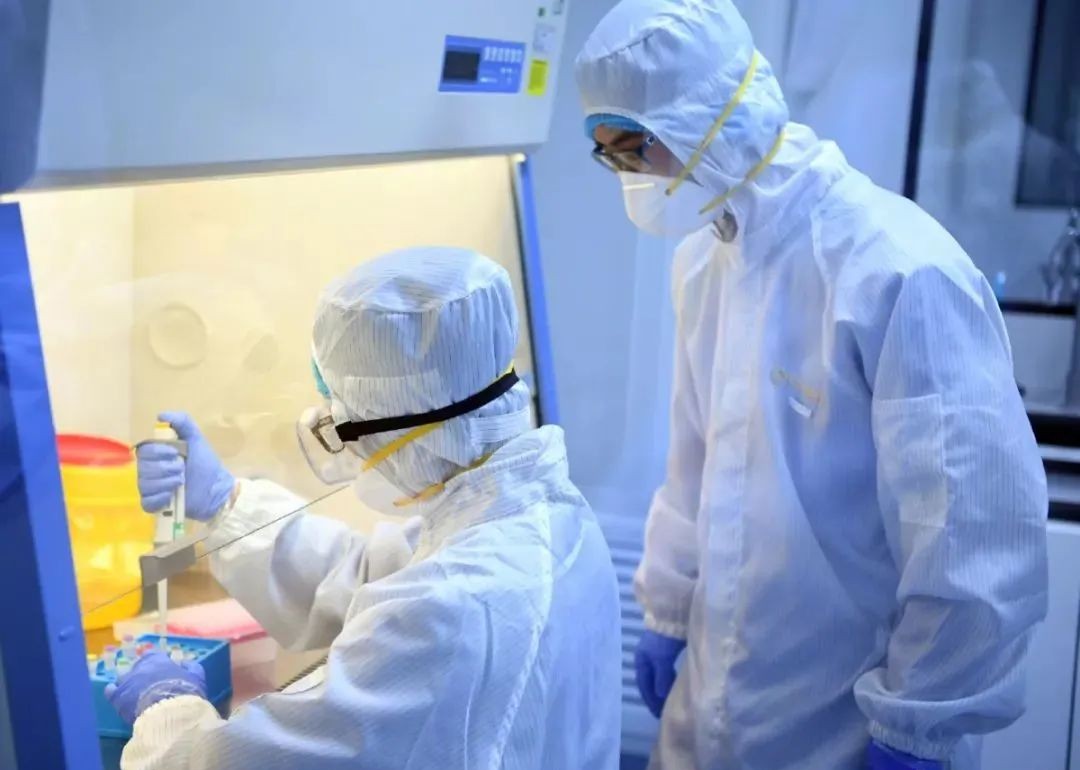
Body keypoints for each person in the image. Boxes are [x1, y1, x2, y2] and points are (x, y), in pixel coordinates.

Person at [574, 2, 1048, 769]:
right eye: (611, 158)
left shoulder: (897, 270)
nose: (633, 178)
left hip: (846, 728)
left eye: (635, 149)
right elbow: (693, 464)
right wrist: (667, 606)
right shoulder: (704, 259)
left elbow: (971, 532)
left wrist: (919, 723)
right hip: (708, 715)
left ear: (710, 117)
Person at [112, 247, 622, 769]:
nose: (350, 451)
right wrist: (226, 503)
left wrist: (167, 709)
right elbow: (365, 576)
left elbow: (234, 762)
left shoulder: (454, 606)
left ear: (408, 428)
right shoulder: (537, 512)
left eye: (342, 426)